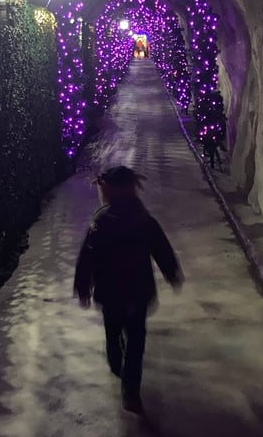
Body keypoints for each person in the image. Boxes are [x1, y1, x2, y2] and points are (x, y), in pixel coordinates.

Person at [74, 165, 184, 414]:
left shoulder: (100, 222)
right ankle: (130, 389)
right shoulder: (143, 218)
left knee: (113, 334)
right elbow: (161, 248)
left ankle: (116, 366)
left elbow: (87, 258)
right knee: (135, 340)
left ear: (108, 191)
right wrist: (171, 272)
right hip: (138, 291)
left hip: (110, 292)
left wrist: (83, 287)